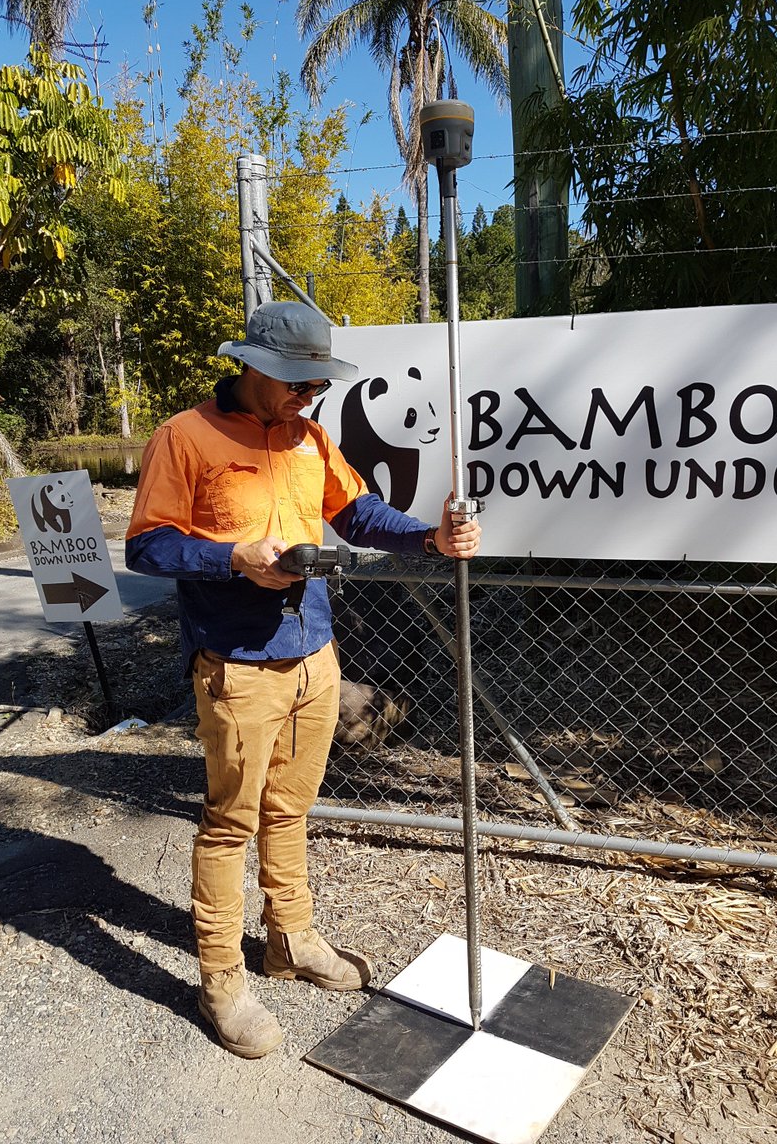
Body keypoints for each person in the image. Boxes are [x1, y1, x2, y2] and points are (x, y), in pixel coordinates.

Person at [125, 300, 481, 1059]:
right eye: (296, 381)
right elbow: (149, 547)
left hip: (315, 655)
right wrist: (232, 557)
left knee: (291, 808)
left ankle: (290, 940)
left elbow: (355, 515)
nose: (309, 394)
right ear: (251, 365)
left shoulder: (310, 437)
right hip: (238, 664)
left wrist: (427, 538)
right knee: (232, 821)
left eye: (318, 382)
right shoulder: (182, 439)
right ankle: (221, 979)